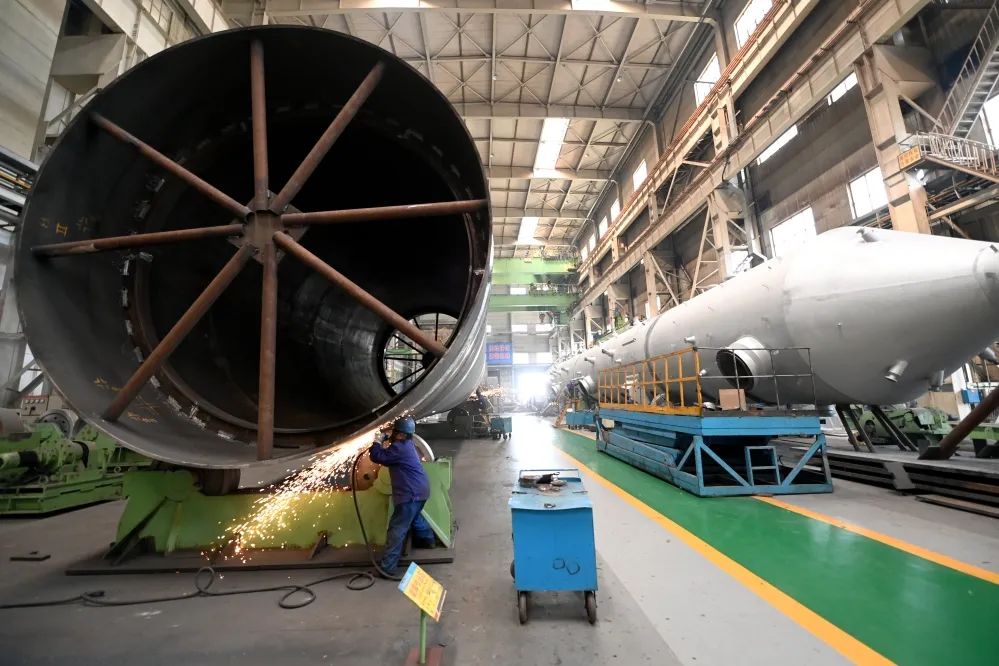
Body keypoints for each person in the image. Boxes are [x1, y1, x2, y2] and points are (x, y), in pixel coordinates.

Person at [368, 416, 435, 577]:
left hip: (410, 494)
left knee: (396, 530)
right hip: (421, 491)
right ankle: (428, 541)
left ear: (402, 434)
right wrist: (385, 440)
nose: (393, 434)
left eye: (395, 432)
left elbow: (378, 456)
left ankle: (388, 567)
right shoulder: (407, 444)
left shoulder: (399, 448)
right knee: (415, 517)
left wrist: (377, 442)